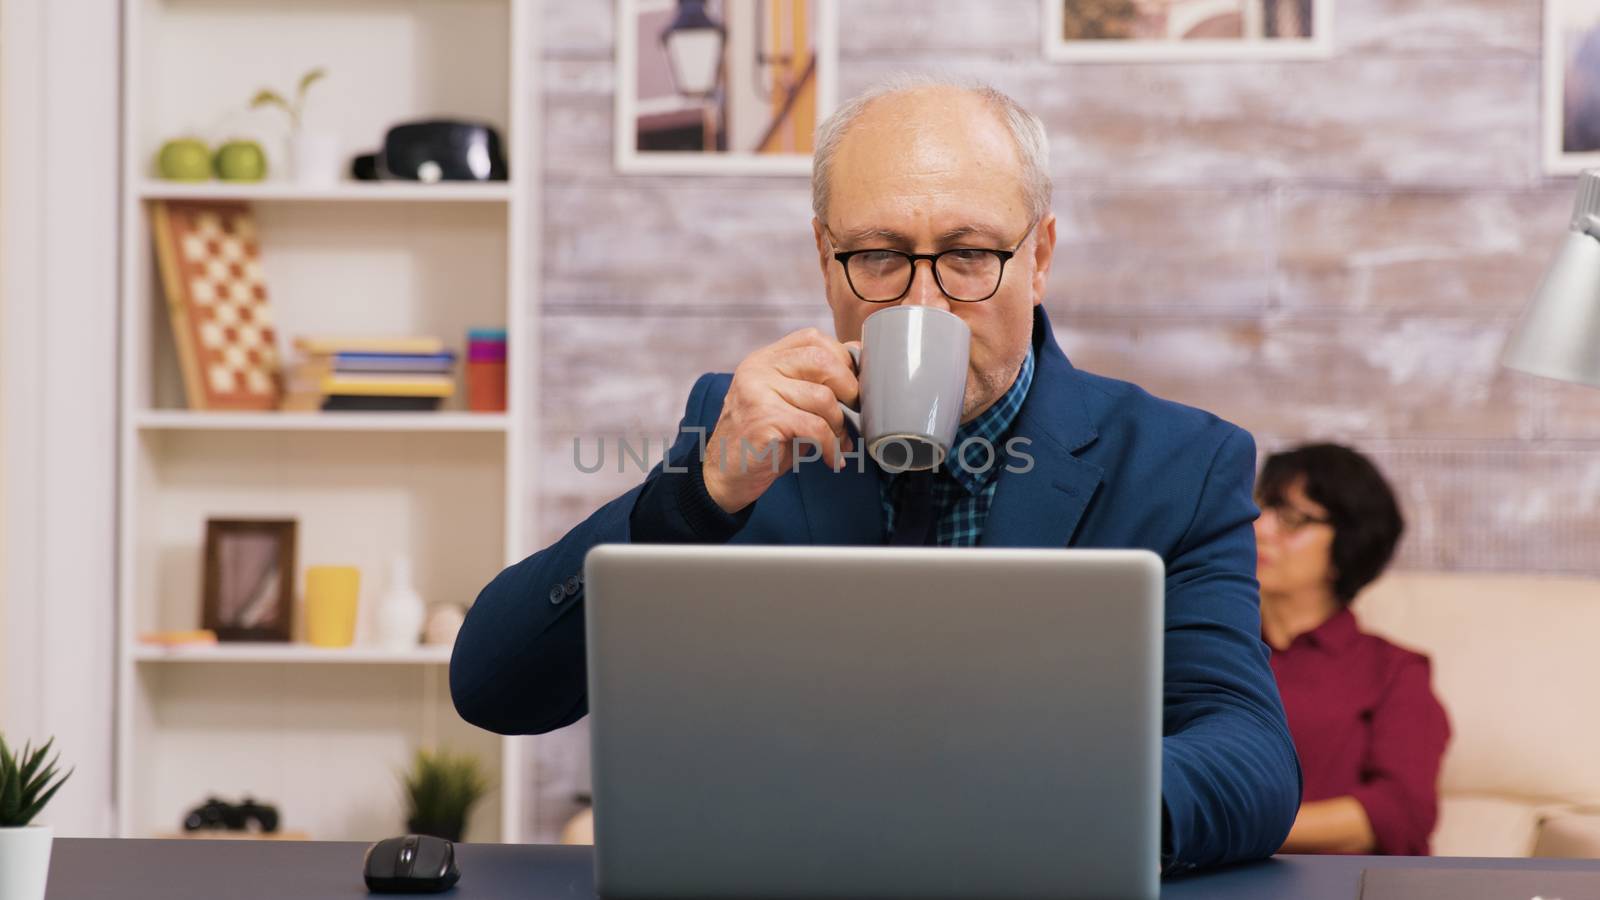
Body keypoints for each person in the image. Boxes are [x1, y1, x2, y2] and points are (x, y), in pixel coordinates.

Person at [451, 74, 1301, 873]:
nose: (921, 305)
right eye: (880, 256)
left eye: (969, 255)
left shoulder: (1179, 463)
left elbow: (1250, 754)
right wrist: (696, 497)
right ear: (827, 260)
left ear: (1038, 259)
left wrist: (1058, 817)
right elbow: (494, 687)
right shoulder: (739, 432)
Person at [1255, 443, 1450, 855]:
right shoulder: (1207, 651)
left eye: (1291, 518)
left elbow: (1401, 813)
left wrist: (1234, 831)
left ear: (1347, 545)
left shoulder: (1393, 670)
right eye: (1260, 508)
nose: (1260, 528)